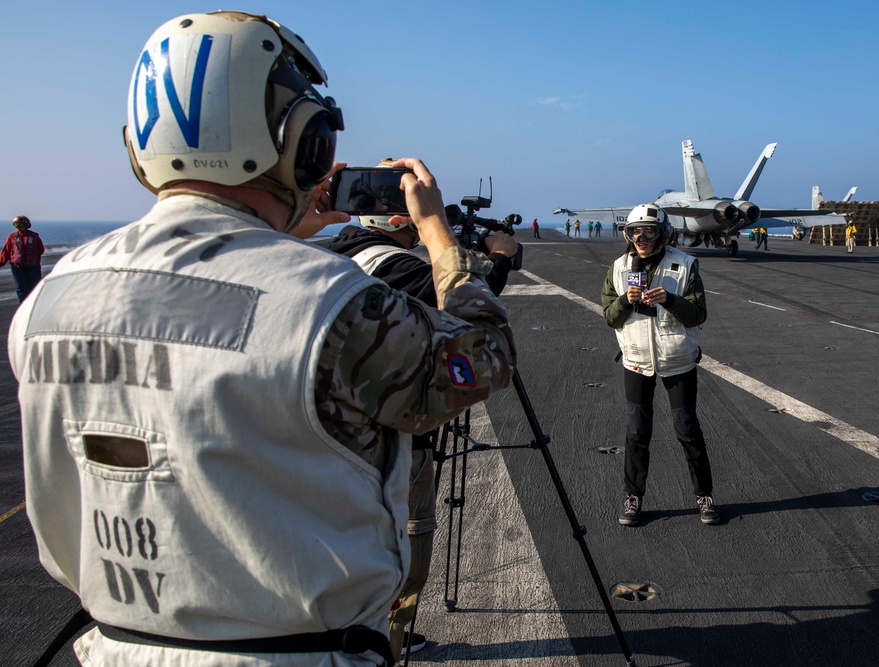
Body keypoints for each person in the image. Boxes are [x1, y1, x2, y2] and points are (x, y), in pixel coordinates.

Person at [8, 11, 516, 667]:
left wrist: (291, 222)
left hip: (112, 649)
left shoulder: (47, 301)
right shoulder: (333, 307)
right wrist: (438, 233)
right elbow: (483, 356)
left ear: (140, 146)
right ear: (303, 141)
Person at [307, 162, 519, 662]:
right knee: (409, 545)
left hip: (325, 444)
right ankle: (393, 637)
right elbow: (478, 329)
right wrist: (484, 251)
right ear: (404, 216)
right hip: (396, 451)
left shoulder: (323, 252)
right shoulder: (399, 270)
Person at [601, 204, 720, 528]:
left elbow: (698, 314)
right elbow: (610, 316)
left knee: (688, 430)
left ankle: (704, 496)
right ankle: (633, 497)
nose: (641, 238)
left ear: (662, 233)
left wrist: (670, 299)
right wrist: (626, 299)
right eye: (635, 232)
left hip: (677, 361)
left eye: (649, 231)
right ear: (628, 234)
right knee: (637, 432)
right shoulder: (618, 268)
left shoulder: (684, 265)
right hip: (636, 361)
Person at [0, 215, 45, 302]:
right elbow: (5, 252)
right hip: (17, 269)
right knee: (21, 290)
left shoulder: (34, 236)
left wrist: (32, 258)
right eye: (17, 225)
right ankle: (24, 309)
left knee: (35, 289)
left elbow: (41, 250)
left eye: (21, 225)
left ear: (26, 225)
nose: (19, 227)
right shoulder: (12, 237)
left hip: (33, 268)